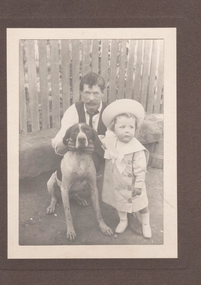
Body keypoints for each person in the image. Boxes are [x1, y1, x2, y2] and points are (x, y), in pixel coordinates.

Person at [49, 72, 107, 204]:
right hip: (78, 158)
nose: (91, 98)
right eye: (87, 93)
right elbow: (58, 143)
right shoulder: (73, 110)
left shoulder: (110, 112)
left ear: (103, 93)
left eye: (96, 93)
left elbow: (118, 144)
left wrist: (98, 145)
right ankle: (72, 189)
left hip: (103, 159)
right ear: (81, 93)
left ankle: (127, 209)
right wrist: (67, 143)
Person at [100, 99, 152, 238]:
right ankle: (123, 220)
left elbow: (141, 169)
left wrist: (139, 185)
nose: (127, 131)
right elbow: (104, 142)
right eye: (122, 127)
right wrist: (105, 145)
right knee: (120, 202)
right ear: (114, 129)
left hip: (133, 184)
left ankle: (146, 223)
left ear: (135, 129)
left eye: (131, 127)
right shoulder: (112, 141)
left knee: (141, 204)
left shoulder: (136, 148)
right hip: (118, 182)